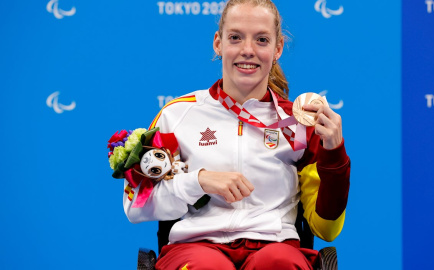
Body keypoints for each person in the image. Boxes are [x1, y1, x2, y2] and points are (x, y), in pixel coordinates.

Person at [124, 0, 350, 269]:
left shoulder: (300, 123)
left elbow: (326, 228)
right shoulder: (177, 115)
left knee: (277, 263)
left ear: (277, 48)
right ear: (218, 43)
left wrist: (334, 154)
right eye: (235, 37)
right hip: (194, 246)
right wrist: (199, 181)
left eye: (262, 40)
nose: (247, 50)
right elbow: (136, 206)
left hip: (275, 246)